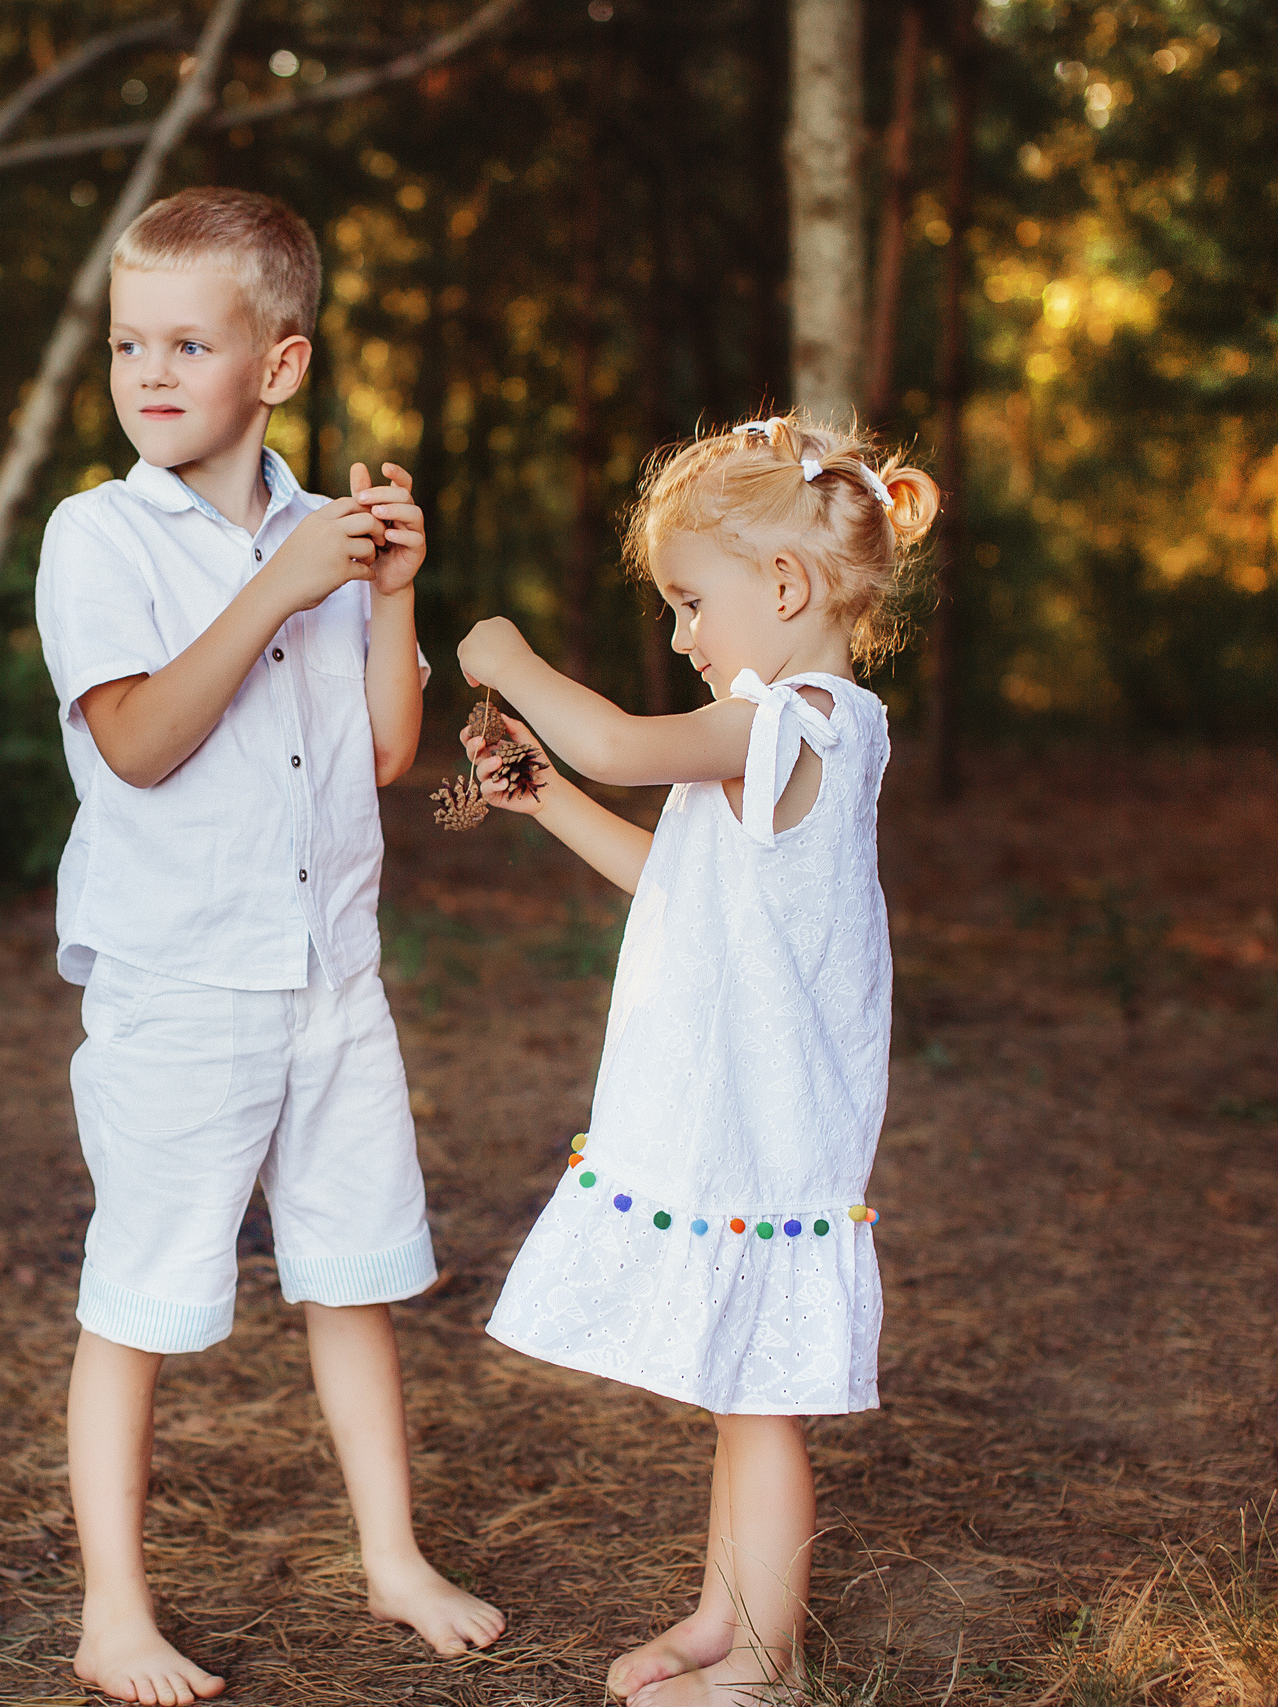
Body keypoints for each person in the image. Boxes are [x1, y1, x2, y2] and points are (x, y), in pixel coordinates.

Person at [34, 186, 505, 1707]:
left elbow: (383, 752)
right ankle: (115, 1610)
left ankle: (391, 1557)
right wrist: (273, 592)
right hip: (182, 985)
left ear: (279, 368)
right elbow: (142, 747)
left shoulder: (327, 533)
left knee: (350, 1276)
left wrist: (390, 591)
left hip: (331, 981)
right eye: (126, 345)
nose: (149, 373)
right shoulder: (96, 536)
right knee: (140, 1293)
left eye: (187, 341)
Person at [455, 414, 938, 1706]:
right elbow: (672, 887)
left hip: (773, 1117)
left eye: (688, 602)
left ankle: (766, 1666)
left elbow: (613, 738)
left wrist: (505, 655)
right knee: (740, 1387)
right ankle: (725, 1618)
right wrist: (545, 797)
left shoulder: (809, 718)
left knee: (763, 1397)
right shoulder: (768, 731)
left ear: (783, 588)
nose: (680, 635)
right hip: (736, 1100)